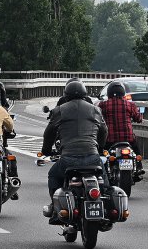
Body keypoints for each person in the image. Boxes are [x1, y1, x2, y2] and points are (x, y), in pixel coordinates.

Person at [40, 81, 108, 220]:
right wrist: (100, 148)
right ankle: (106, 205)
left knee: (53, 175)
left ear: (66, 95)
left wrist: (46, 150)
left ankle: (54, 206)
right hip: (92, 156)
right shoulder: (95, 109)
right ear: (85, 94)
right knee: (104, 180)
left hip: (68, 159)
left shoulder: (59, 110)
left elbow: (49, 133)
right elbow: (104, 131)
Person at [98, 81, 144, 164]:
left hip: (110, 139)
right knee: (137, 152)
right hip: (128, 138)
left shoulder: (103, 105)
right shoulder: (130, 105)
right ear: (123, 92)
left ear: (109, 93)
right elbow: (138, 119)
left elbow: (97, 117)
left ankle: (103, 172)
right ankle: (139, 166)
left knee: (102, 155)